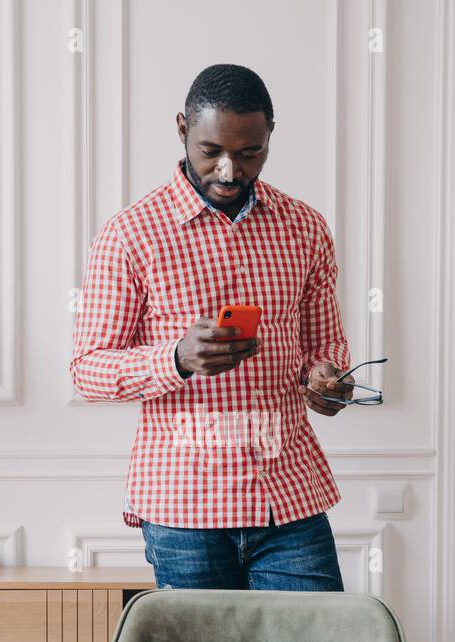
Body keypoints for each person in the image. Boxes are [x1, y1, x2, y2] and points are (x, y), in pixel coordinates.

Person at [69, 63, 354, 591]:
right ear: (182, 129)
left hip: (288, 500)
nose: (228, 170)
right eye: (211, 151)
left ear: (270, 136)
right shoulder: (129, 236)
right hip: (182, 508)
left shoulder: (306, 228)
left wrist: (329, 382)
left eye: (249, 153)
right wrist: (176, 358)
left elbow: (325, 348)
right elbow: (88, 371)